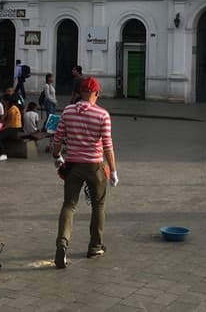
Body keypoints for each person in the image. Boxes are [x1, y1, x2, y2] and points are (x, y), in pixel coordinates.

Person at [52, 76, 118, 268]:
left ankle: (62, 244)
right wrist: (113, 170)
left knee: (69, 205)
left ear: (81, 92)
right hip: (94, 166)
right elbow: (107, 146)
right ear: (96, 93)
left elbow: (57, 139)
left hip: (72, 165)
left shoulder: (68, 111)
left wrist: (57, 157)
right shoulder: (102, 115)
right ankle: (95, 245)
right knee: (98, 205)